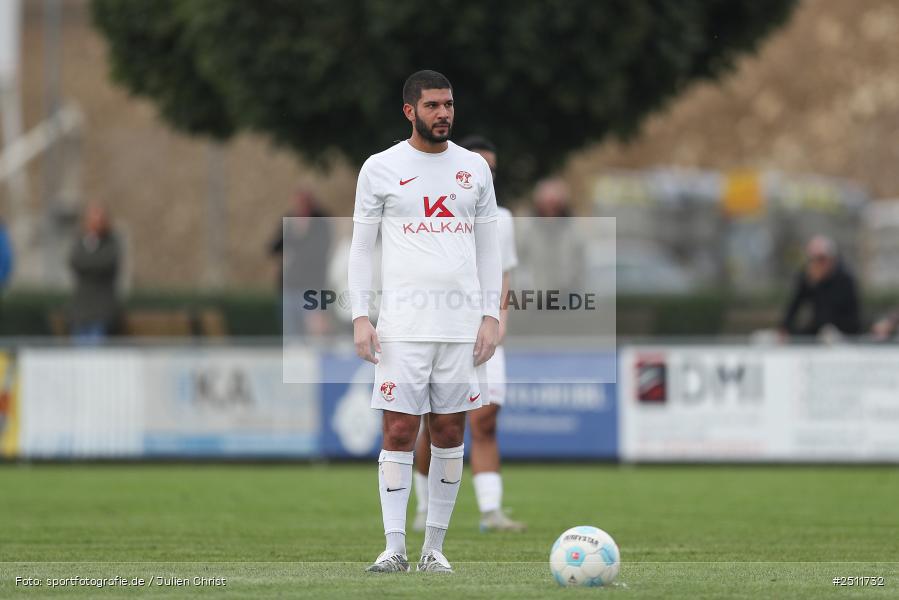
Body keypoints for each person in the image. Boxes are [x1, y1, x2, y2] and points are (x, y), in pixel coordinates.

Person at [348, 70, 501, 573]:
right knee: (397, 431)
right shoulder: (380, 168)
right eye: (433, 105)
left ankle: (434, 549)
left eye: (449, 104)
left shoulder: (474, 169)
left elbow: (488, 248)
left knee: (450, 431)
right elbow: (360, 248)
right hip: (402, 327)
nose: (444, 114)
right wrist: (360, 316)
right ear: (410, 110)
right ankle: (394, 548)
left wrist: (490, 316)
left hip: (459, 329)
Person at [412, 135, 525, 533]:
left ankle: (491, 511)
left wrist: (499, 318)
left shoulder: (503, 219)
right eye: (480, 166)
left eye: (492, 169)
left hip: (486, 330)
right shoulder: (436, 213)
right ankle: (425, 505)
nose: (485, 174)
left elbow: (503, 271)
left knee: (486, 420)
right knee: (436, 421)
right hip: (442, 328)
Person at [269, 189, 332, 338]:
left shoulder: (320, 224)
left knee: (315, 333)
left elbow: (318, 252)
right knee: (292, 334)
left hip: (312, 288)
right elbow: (275, 247)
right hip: (290, 286)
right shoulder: (290, 223)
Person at [780, 235, 861, 338]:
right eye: (813, 259)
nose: (817, 264)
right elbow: (794, 304)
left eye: (821, 259)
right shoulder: (806, 277)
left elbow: (842, 315)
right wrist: (785, 327)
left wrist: (819, 286)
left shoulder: (845, 279)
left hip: (843, 332)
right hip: (817, 330)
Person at [68, 202, 122, 343]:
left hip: (101, 313)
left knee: (96, 358)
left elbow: (106, 262)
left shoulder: (112, 242)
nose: (95, 224)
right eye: (92, 220)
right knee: (80, 359)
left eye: (99, 220)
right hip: (80, 314)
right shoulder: (81, 241)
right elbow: (75, 260)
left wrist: (89, 261)